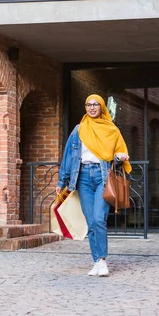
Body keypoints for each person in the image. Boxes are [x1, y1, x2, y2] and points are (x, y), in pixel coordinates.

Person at [56, 94, 131, 277]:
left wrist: (119, 157)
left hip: (102, 177)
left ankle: (103, 260)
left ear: (102, 107)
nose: (91, 108)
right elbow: (68, 157)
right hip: (82, 178)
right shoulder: (78, 130)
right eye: (88, 104)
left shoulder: (111, 130)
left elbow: (120, 153)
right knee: (90, 223)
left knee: (99, 219)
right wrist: (61, 181)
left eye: (95, 104)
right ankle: (96, 261)